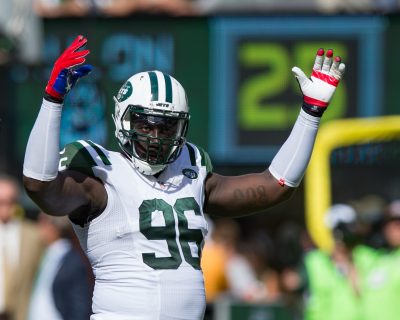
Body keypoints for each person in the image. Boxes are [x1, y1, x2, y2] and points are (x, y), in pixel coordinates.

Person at [22, 35, 345, 320]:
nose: (155, 136)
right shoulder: (101, 174)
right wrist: (53, 100)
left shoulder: (190, 171)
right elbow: (40, 187)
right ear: (123, 120)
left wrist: (310, 114)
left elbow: (276, 186)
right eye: (145, 125)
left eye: (166, 127)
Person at [27, 212, 93, 320]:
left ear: (53, 227)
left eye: (42, 221)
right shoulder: (45, 255)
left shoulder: (73, 262)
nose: (39, 227)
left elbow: (79, 309)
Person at [0, 175, 44, 320]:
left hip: (22, 314)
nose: (5, 207)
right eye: (1, 202)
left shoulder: (34, 235)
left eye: (10, 202)